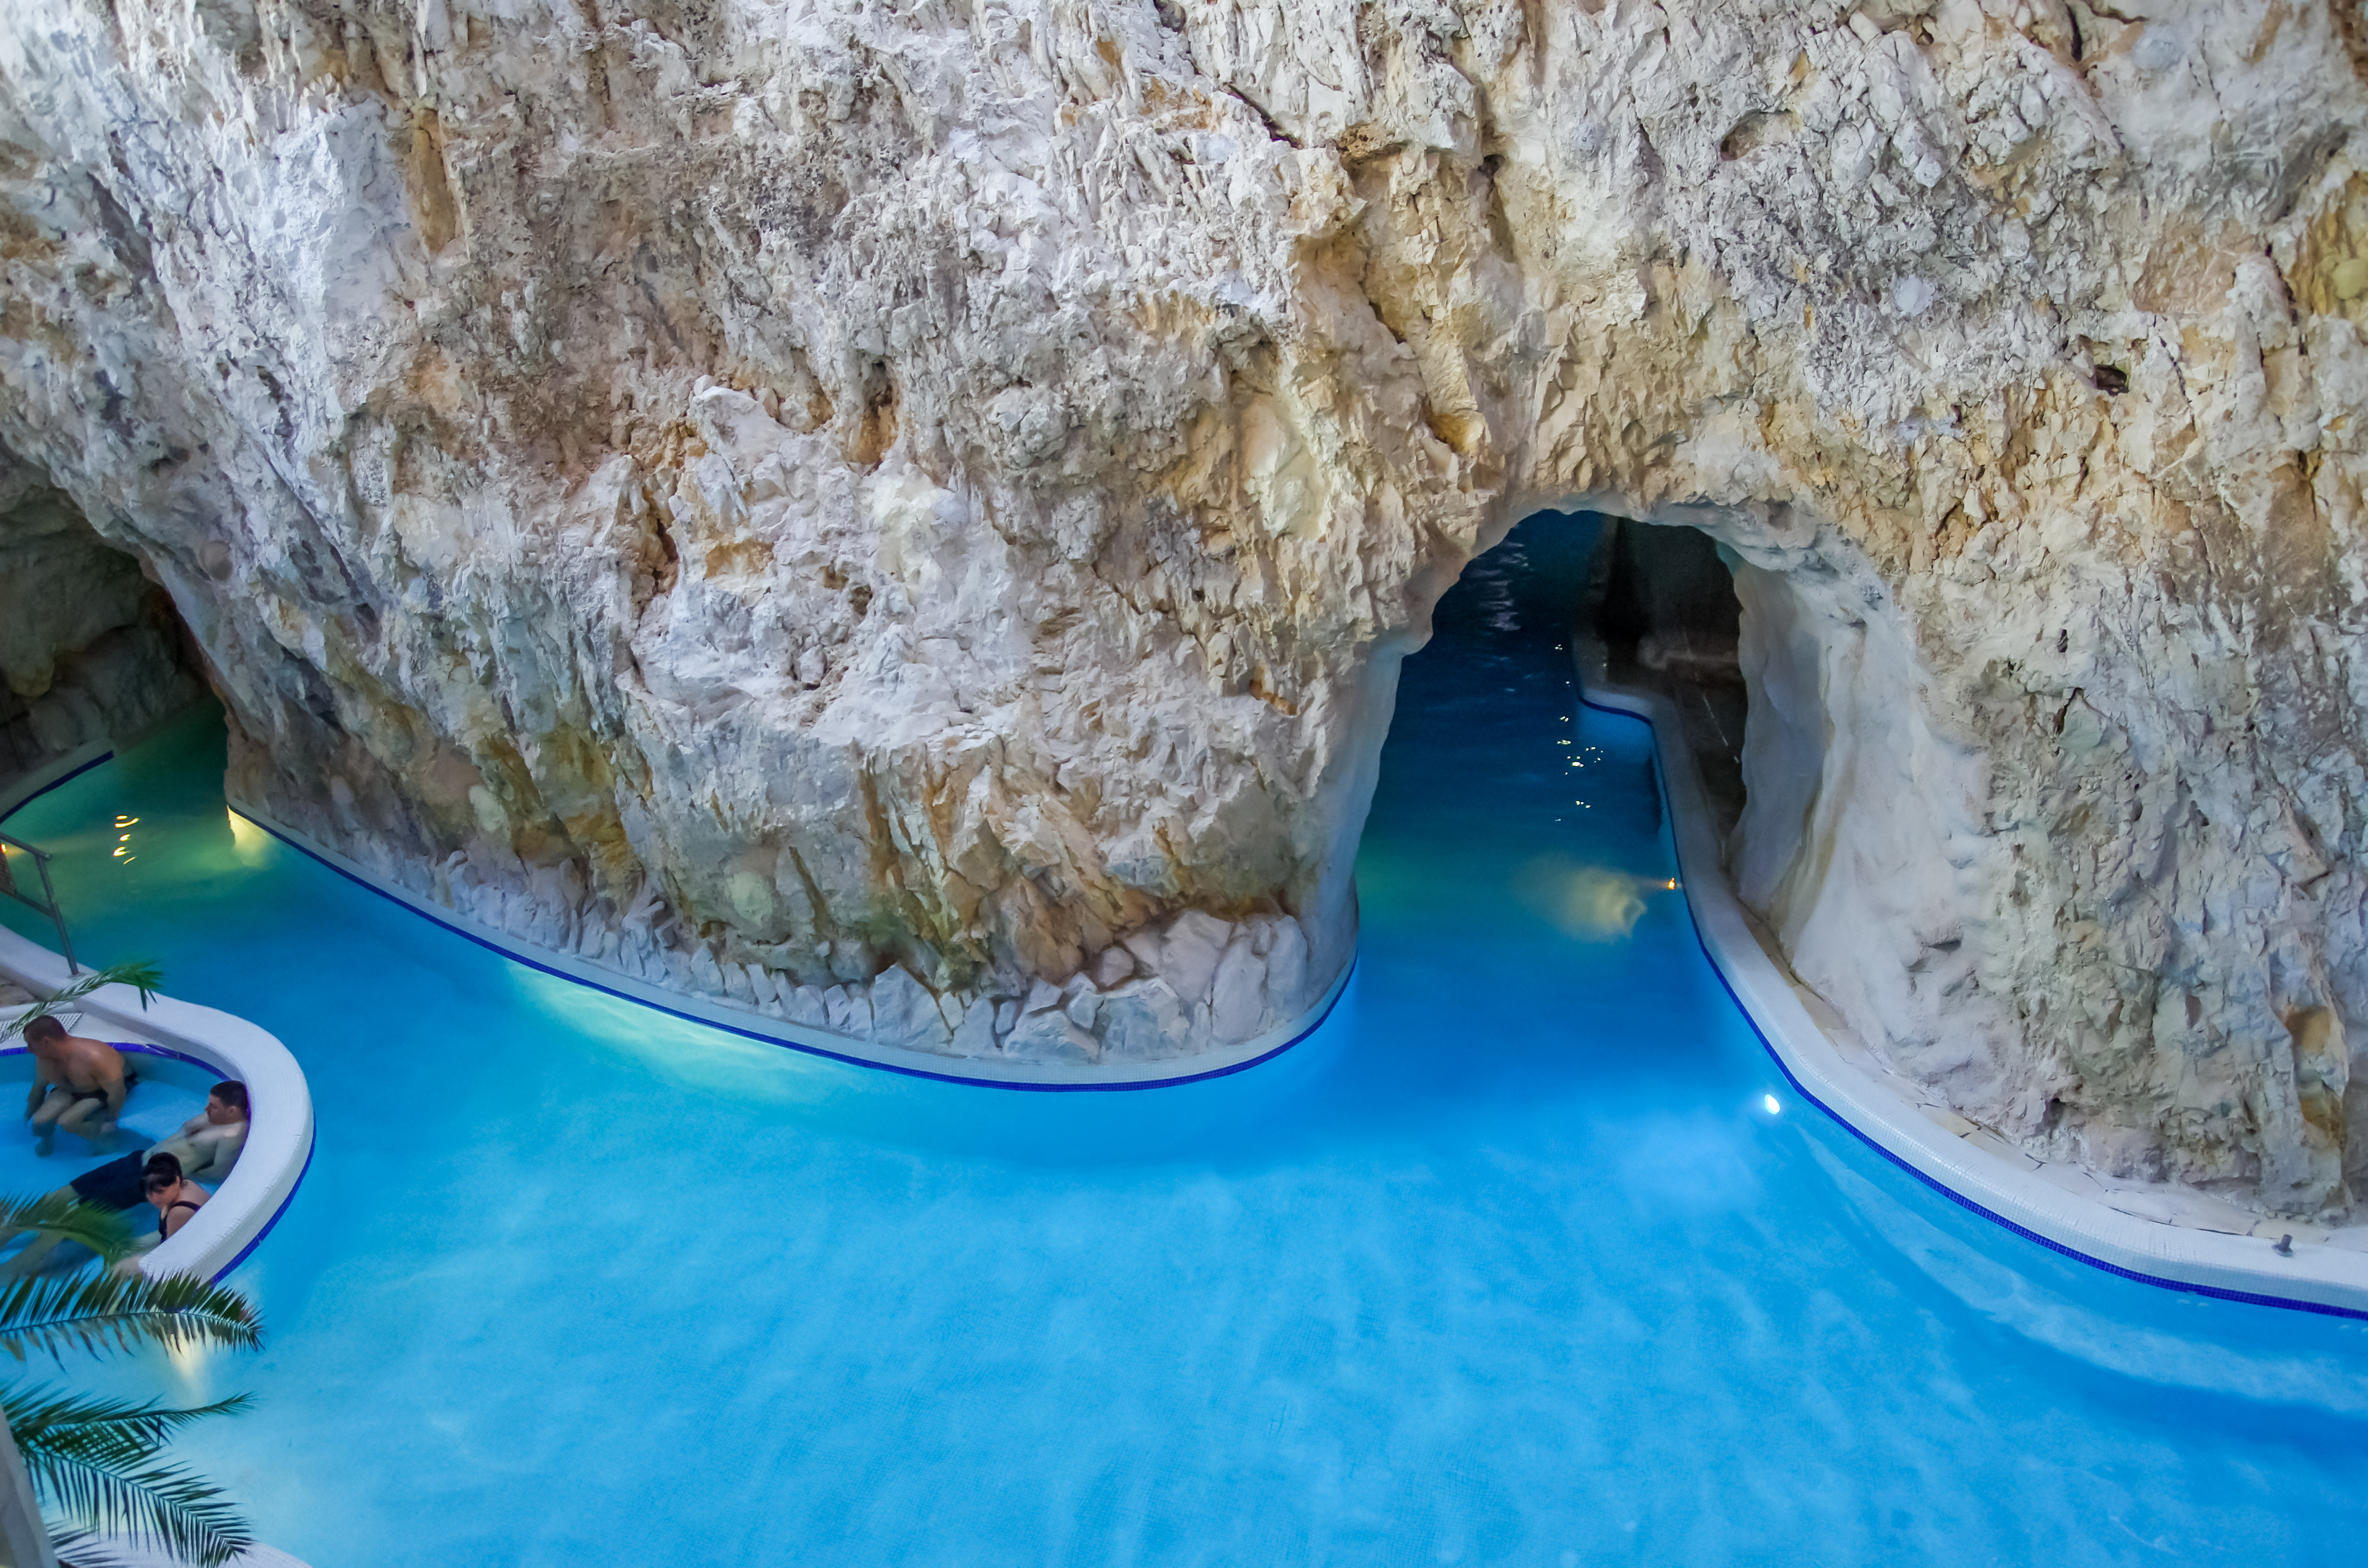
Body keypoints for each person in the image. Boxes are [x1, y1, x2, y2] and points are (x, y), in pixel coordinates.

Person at [20, 1016, 131, 1155]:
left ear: (46, 1042)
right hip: (67, 1091)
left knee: (68, 1122)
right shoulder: (44, 1059)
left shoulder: (94, 1056)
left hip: (100, 1091)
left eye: (30, 1044)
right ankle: (48, 1140)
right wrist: (28, 1114)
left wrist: (111, 1122)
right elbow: (39, 1089)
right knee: (40, 1122)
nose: (28, 1050)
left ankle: (103, 1139)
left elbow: (117, 1091)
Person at [142, 1152, 208, 1243]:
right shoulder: (187, 1183)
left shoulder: (179, 1212)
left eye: (161, 1191)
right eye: (149, 1192)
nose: (154, 1199)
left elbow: (170, 1248)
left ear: (177, 1181)